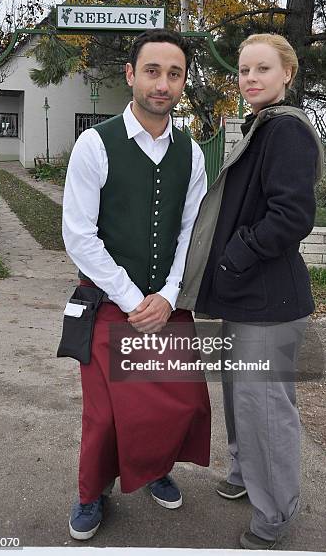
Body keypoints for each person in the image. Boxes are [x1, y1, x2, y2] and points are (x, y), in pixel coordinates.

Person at [62, 28, 211, 540]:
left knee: (170, 401)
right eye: (152, 71)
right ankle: (90, 493)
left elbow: (191, 233)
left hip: (166, 303)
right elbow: (78, 236)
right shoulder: (94, 144)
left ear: (184, 81)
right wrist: (131, 299)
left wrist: (168, 296)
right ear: (131, 75)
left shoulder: (192, 154)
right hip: (107, 301)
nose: (163, 83)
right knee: (104, 413)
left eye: (174, 73)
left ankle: (153, 469)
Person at [176, 33, 323, 550]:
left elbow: (292, 216)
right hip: (244, 296)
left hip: (269, 302)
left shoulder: (287, 132)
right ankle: (244, 476)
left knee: (265, 411)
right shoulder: (258, 128)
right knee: (241, 400)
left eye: (263, 68)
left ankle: (275, 514)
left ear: (287, 74)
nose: (251, 78)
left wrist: (237, 254)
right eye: (243, 70)